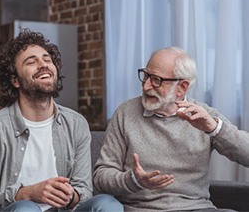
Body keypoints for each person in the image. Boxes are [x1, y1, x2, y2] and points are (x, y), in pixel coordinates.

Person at [93, 46, 249, 212]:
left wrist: (214, 128)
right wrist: (134, 180)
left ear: (182, 87)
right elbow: (100, 176)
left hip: (196, 208)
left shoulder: (205, 116)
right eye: (145, 76)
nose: (146, 86)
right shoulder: (125, 113)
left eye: (156, 80)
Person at [0, 29, 123, 212]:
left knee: (108, 203)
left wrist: (71, 195)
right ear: (15, 80)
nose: (43, 65)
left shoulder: (76, 123)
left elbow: (84, 190)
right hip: (18, 209)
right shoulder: (2, 126)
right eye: (31, 62)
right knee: (26, 209)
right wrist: (27, 193)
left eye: (47, 60)